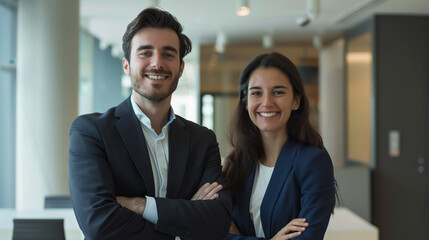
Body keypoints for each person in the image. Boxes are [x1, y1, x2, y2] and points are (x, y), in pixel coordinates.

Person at [68, 8, 231, 240]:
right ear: (126, 65)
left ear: (181, 68)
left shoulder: (202, 140)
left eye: (168, 54)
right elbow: (99, 225)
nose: (157, 63)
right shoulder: (92, 132)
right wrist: (180, 226)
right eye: (145, 53)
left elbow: (218, 221)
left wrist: (139, 205)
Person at [222, 52, 336, 240]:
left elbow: (308, 238)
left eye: (278, 92)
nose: (267, 103)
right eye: (256, 93)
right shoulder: (235, 162)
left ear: (296, 101)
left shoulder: (313, 162)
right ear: (246, 101)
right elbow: (214, 233)